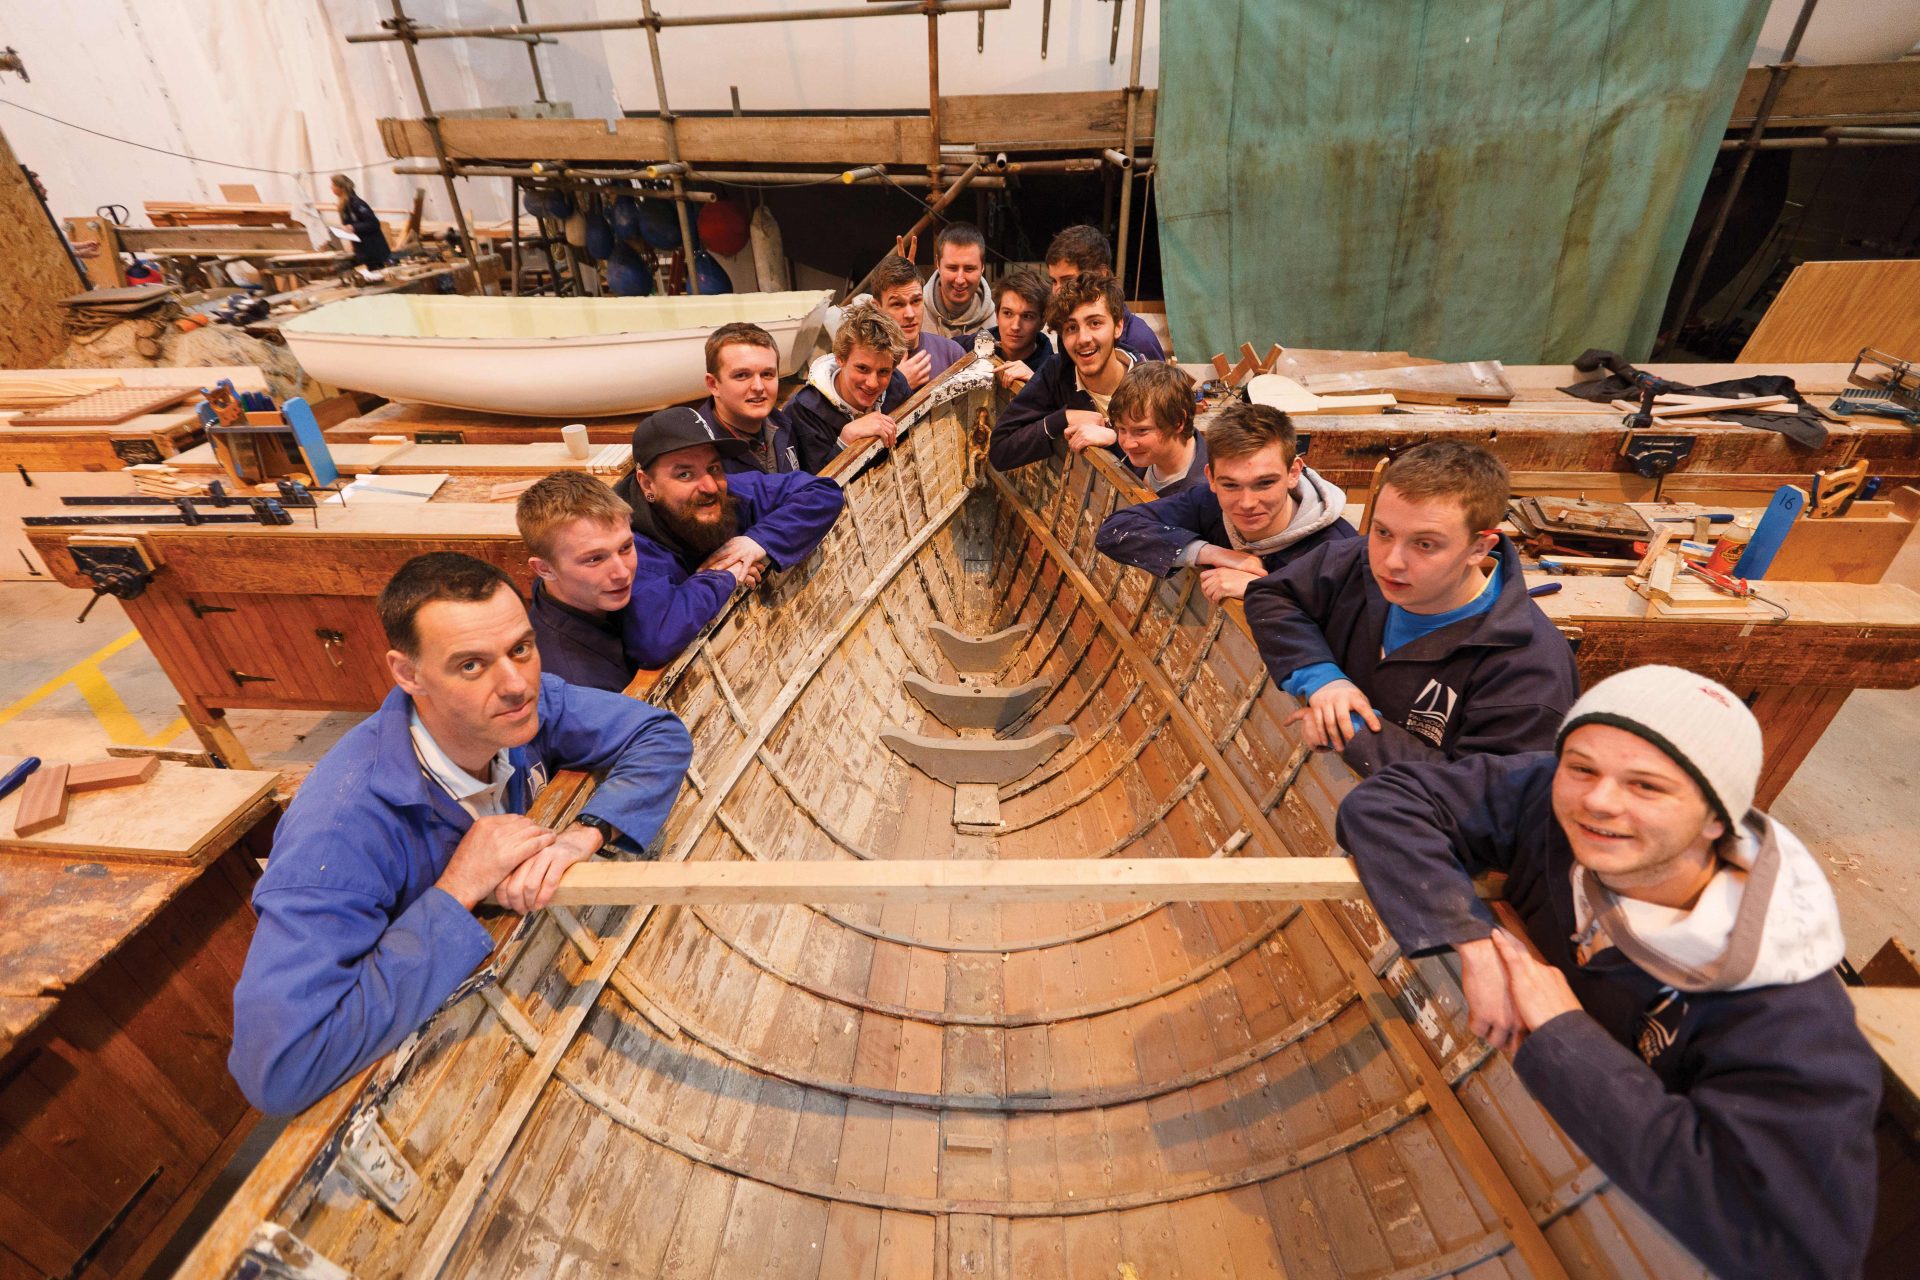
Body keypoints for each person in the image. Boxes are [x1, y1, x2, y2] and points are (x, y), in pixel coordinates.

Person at [1335, 666, 1879, 1279]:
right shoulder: (1553, 798)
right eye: (1582, 767)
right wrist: (1469, 938)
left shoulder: (1784, 1013)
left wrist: (1565, 1032)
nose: (1598, 799)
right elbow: (1389, 801)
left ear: (1716, 819)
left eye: (1647, 786)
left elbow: (1788, 1249)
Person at [229, 553, 692, 1114]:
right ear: (408, 674)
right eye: (470, 665)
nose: (516, 684)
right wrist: (456, 891)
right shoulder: (338, 836)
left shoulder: (522, 705)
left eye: (521, 648)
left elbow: (656, 733)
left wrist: (582, 835)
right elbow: (281, 1069)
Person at [1243, 441, 1577, 775]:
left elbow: (1485, 795)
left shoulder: (1528, 670)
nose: (1391, 561)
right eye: (1383, 531)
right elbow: (1271, 596)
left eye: (1425, 544)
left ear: (1479, 547)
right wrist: (1322, 678)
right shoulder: (1354, 562)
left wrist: (1351, 728)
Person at [613, 406, 845, 668]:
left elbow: (822, 492)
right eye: (684, 474)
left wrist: (757, 541)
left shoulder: (728, 494)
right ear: (647, 484)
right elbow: (653, 639)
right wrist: (724, 576)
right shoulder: (628, 545)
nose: (710, 487)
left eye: (713, 468)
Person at [1096, 400, 1354, 603]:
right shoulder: (1207, 501)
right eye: (1230, 485)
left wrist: (1263, 590)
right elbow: (1114, 531)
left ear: (1294, 473)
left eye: (1265, 483)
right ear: (1210, 477)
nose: (1247, 503)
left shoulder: (1339, 550)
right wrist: (1210, 553)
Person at [988, 272, 1142, 471]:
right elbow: (1000, 451)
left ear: (1118, 326)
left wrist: (1116, 439)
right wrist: (1062, 418)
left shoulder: (1148, 385)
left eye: (1095, 323)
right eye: (1071, 328)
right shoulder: (1058, 372)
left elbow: (1166, 478)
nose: (1083, 338)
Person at [516, 472, 641, 693]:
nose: (622, 573)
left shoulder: (571, 592)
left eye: (625, 547)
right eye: (594, 559)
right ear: (545, 569)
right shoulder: (579, 685)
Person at [785, 303, 912, 473]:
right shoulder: (804, 412)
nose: (872, 383)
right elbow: (812, 490)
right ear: (840, 359)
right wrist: (845, 441)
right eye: (862, 368)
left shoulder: (896, 386)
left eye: (883, 372)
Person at [694, 322, 803, 474]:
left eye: (767, 374)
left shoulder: (784, 426)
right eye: (742, 375)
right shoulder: (697, 451)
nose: (758, 387)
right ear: (713, 385)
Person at [1043, 224, 1164, 360]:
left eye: (1067, 280)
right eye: (1053, 281)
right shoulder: (1067, 326)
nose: (1057, 291)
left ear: (1102, 274)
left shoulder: (1139, 342)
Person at [1106, 361, 1208, 495]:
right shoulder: (1146, 454)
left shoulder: (1202, 495)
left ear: (1178, 422)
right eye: (1122, 429)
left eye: (1141, 431)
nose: (1128, 444)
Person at [869, 254, 966, 390]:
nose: (910, 314)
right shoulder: (865, 363)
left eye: (916, 301)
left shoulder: (952, 354)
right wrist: (898, 385)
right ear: (877, 307)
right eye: (897, 304)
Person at [962, 264, 1055, 392]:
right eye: (1008, 313)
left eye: (1027, 316)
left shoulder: (1055, 373)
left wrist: (1036, 382)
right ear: (997, 315)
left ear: (1042, 322)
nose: (1015, 326)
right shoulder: (965, 347)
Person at [922, 221, 996, 339]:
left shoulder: (995, 325)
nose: (960, 279)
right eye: (952, 268)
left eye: (969, 269)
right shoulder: (915, 314)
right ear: (937, 264)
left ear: (982, 267)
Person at [331, 173, 391, 271]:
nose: (331, 187)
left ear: (341, 187)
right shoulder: (345, 204)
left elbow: (373, 223)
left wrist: (354, 227)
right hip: (362, 249)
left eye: (333, 185)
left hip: (373, 250)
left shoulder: (356, 203)